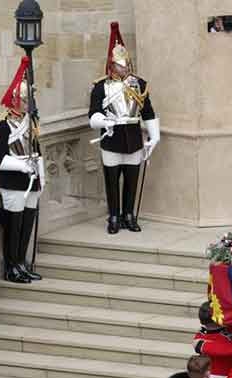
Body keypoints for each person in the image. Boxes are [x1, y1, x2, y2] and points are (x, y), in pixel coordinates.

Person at [89, 21, 160, 234]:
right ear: (112, 66)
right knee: (112, 181)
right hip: (111, 139)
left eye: (126, 64)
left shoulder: (140, 84)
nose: (125, 68)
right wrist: (104, 121)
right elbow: (92, 114)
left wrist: (154, 136)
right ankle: (114, 215)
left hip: (133, 138)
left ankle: (129, 215)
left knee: (131, 179)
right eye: (120, 65)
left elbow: (147, 111)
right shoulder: (100, 87)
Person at [0, 56, 44, 284]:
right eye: (23, 100)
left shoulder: (30, 121)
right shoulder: (1, 125)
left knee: (27, 222)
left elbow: (36, 149)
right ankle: (11, 265)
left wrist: (41, 174)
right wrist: (22, 165)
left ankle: (21, 262)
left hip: (31, 180)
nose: (27, 104)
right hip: (13, 180)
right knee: (15, 224)